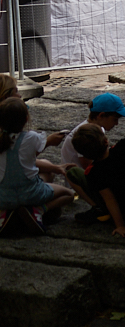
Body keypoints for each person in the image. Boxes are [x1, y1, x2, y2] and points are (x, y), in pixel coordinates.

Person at [0, 97, 72, 231]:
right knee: (69, 194)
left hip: (3, 197)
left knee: (45, 170)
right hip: (30, 194)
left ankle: (3, 213)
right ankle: (39, 210)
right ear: (26, 119)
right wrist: (49, 141)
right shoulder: (32, 137)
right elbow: (29, 158)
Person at [66, 124, 125, 236]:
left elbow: (110, 199)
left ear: (84, 155)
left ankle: (98, 208)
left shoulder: (93, 172)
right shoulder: (124, 146)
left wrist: (120, 226)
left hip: (120, 207)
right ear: (106, 141)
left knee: (72, 172)